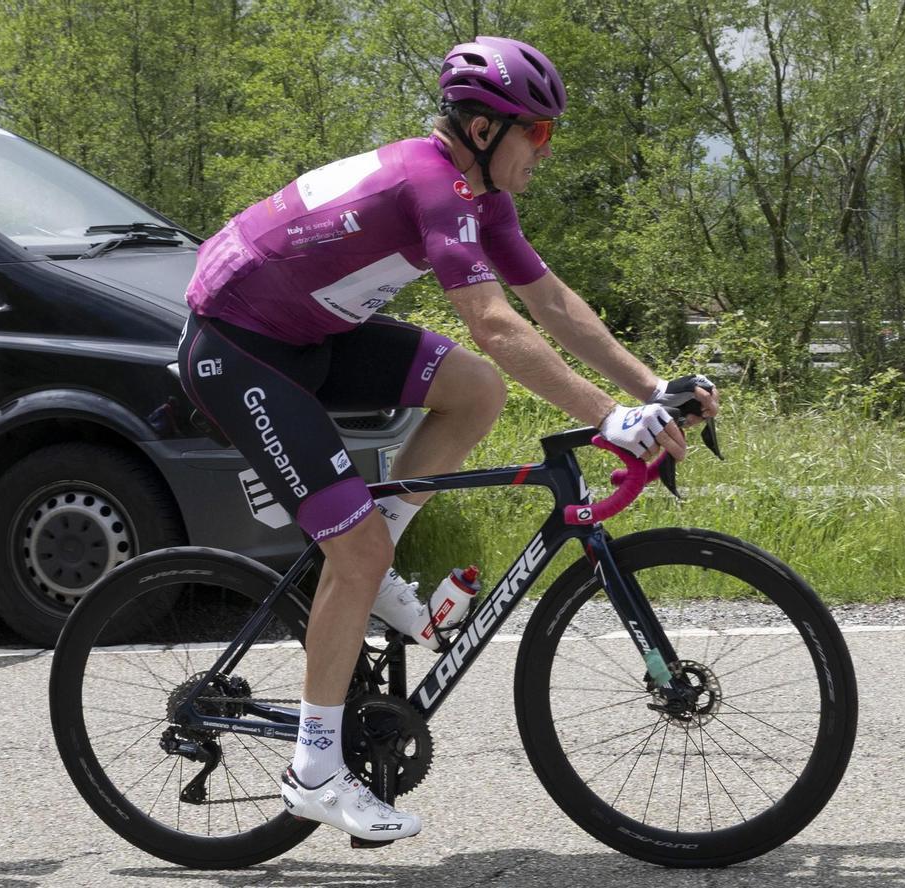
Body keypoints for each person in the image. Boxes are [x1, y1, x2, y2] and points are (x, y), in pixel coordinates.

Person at [177, 35, 718, 845]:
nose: (545, 149)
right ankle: (315, 772)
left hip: (308, 331)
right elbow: (496, 322)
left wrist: (649, 390)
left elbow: (552, 302)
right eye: (537, 132)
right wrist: (609, 420)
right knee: (353, 550)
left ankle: (375, 561)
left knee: (475, 392)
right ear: (482, 130)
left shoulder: (480, 193)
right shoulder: (434, 185)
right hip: (237, 345)